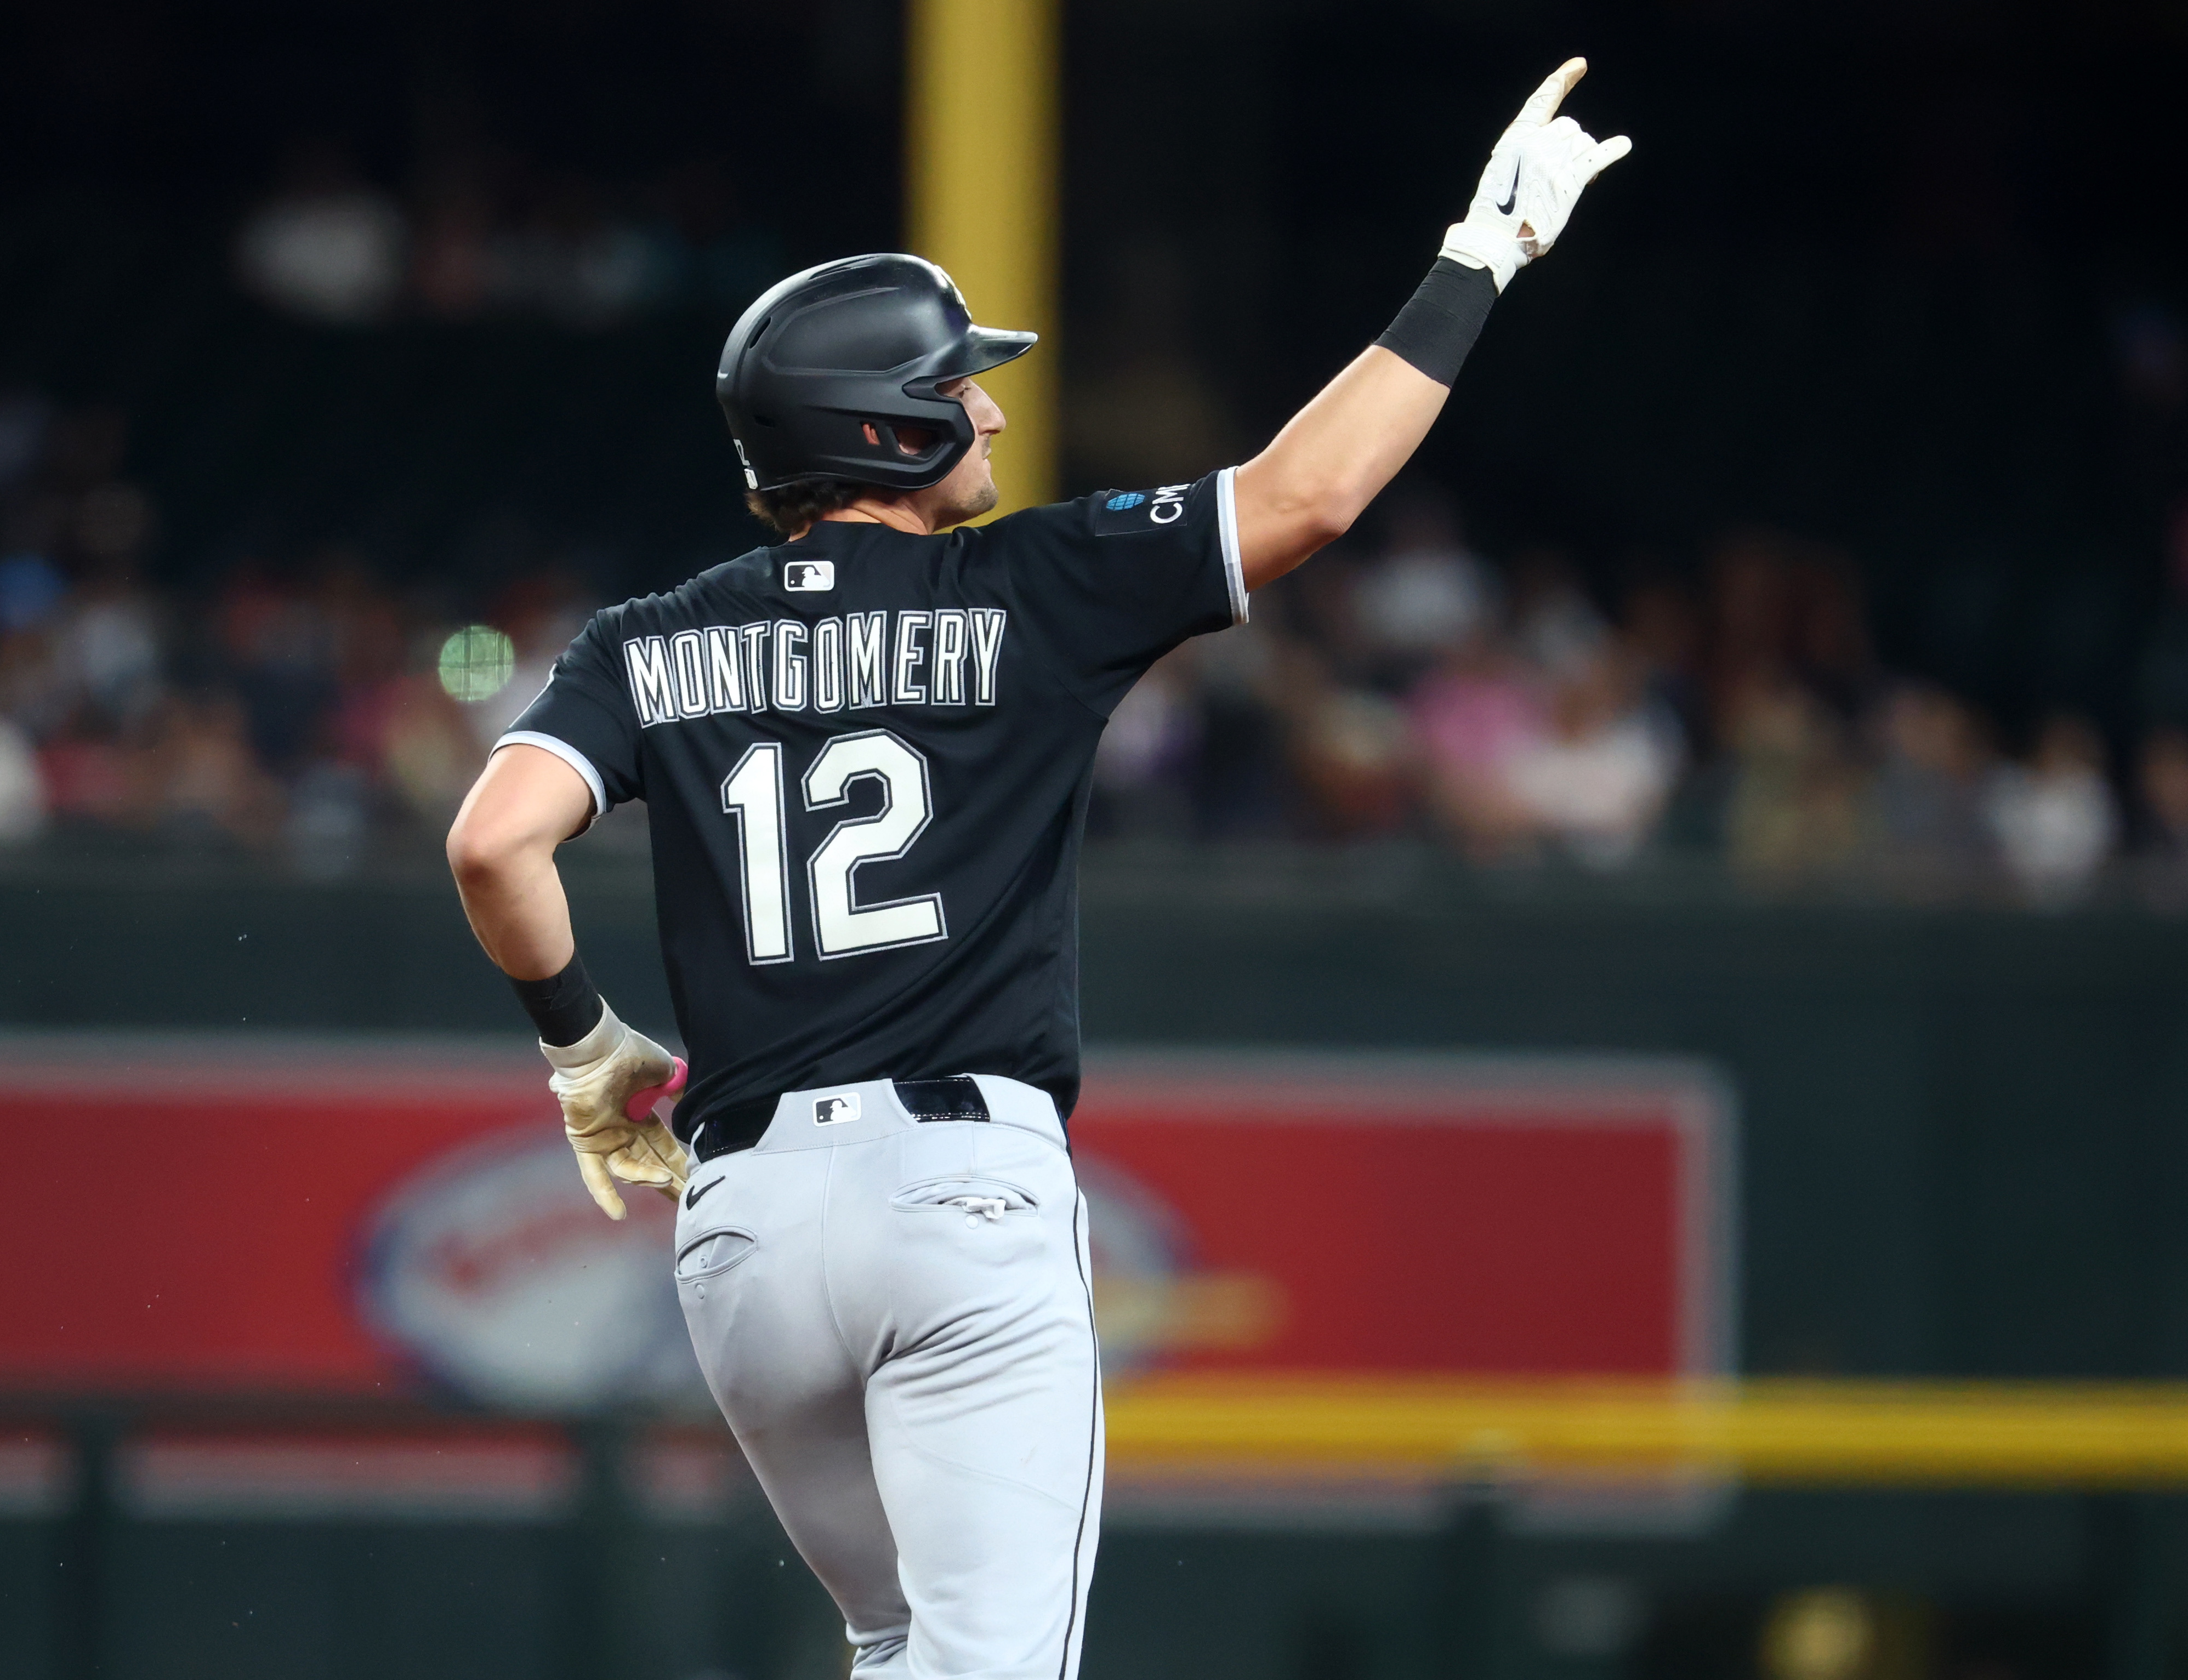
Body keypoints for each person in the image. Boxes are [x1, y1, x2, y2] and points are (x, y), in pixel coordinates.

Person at [446, 59, 1626, 1680]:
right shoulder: (1037, 587)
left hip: (741, 1230)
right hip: (957, 1192)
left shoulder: (650, 640)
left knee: (895, 1649)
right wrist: (1480, 256)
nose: (992, 406)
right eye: (962, 385)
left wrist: (587, 1050)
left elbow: (492, 838)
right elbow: (1314, 492)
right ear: (893, 421)